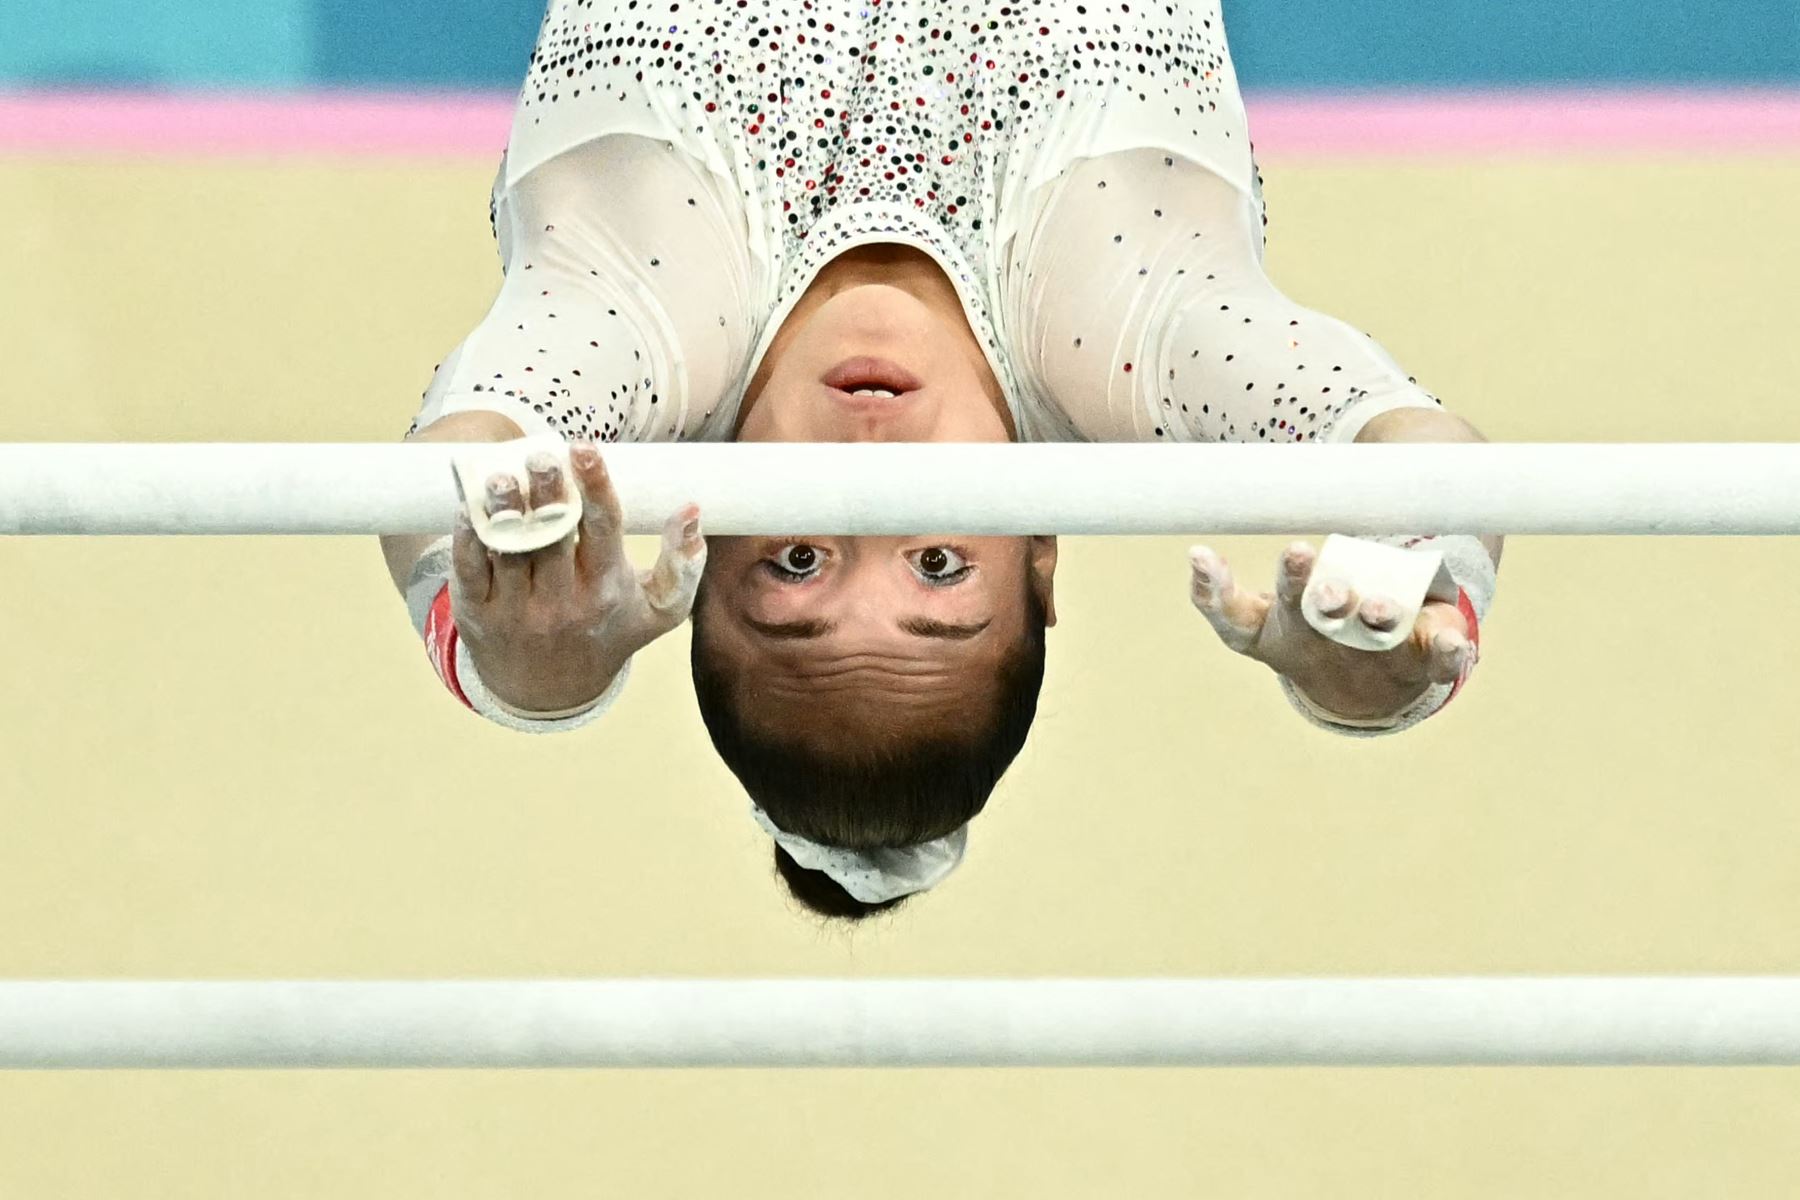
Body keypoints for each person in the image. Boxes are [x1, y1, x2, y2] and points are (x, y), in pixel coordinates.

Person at [379, 0, 1503, 919]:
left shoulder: (639, 321)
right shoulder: (1133, 335)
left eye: (800, 563)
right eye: (938, 568)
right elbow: (1415, 452)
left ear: (697, 551)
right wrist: (1386, 662)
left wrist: (534, 676)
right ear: (1043, 555)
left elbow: (461, 455)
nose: (875, 479)